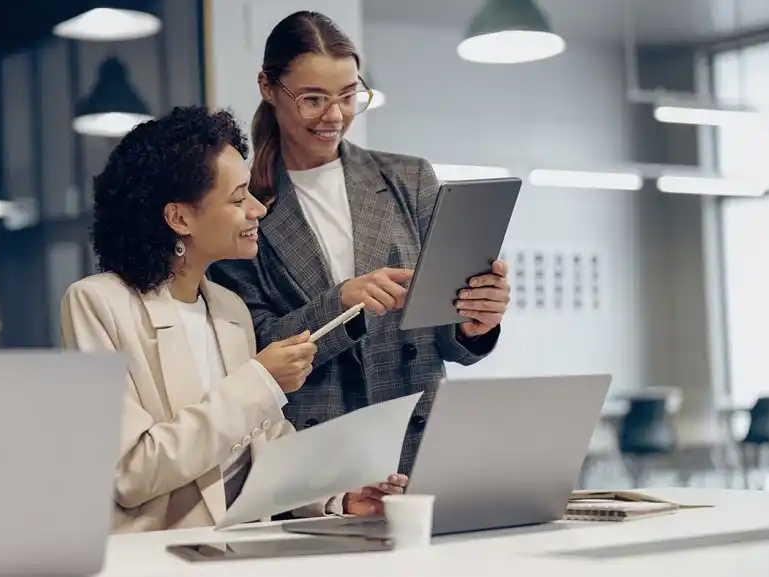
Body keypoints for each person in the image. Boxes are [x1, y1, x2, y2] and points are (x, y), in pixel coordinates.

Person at [60, 106, 406, 533]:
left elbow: (261, 444)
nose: (258, 209)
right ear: (180, 218)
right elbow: (132, 474)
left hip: (240, 550)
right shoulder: (97, 304)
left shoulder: (229, 309)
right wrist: (261, 381)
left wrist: (338, 496)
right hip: (158, 558)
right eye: (238, 197)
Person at [209, 11, 513, 476]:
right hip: (312, 453)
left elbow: (444, 337)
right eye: (313, 99)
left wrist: (477, 320)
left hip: (417, 443)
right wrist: (342, 303)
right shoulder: (244, 203)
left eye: (349, 96)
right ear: (268, 88)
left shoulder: (409, 180)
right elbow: (251, 346)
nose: (334, 116)